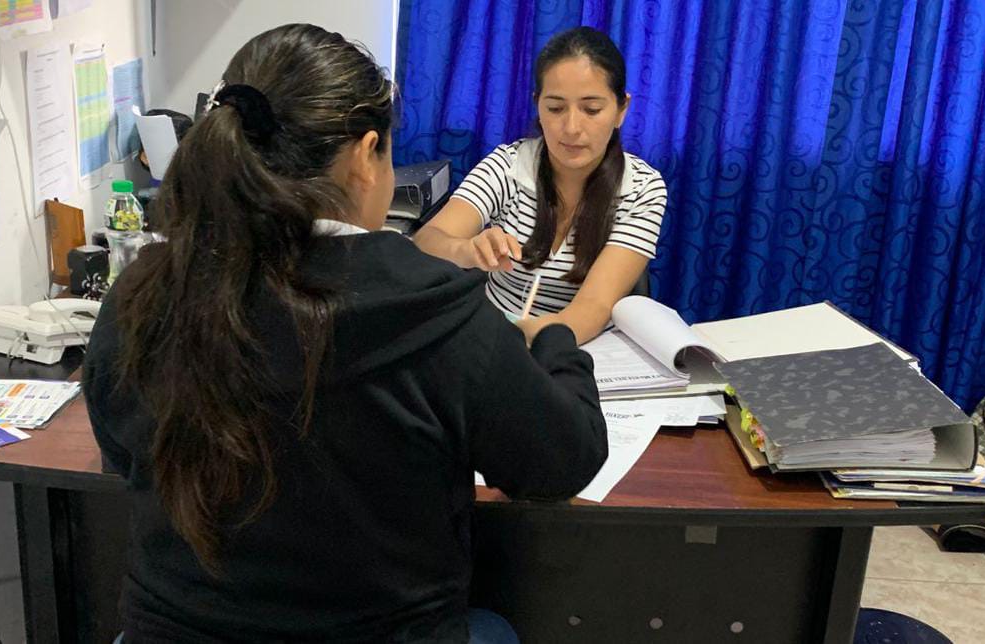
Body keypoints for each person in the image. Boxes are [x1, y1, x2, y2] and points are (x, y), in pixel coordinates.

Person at [82, 23, 607, 643]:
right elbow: (562, 461)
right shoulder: (431, 308)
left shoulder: (141, 292)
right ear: (365, 155)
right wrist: (556, 345)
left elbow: (121, 452)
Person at [413, 27, 667, 345]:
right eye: (555, 108)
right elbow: (427, 240)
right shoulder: (507, 166)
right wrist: (467, 250)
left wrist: (517, 341)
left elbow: (592, 308)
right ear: (538, 105)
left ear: (621, 110)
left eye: (591, 110)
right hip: (492, 335)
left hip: (577, 348)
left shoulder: (643, 189)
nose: (571, 128)